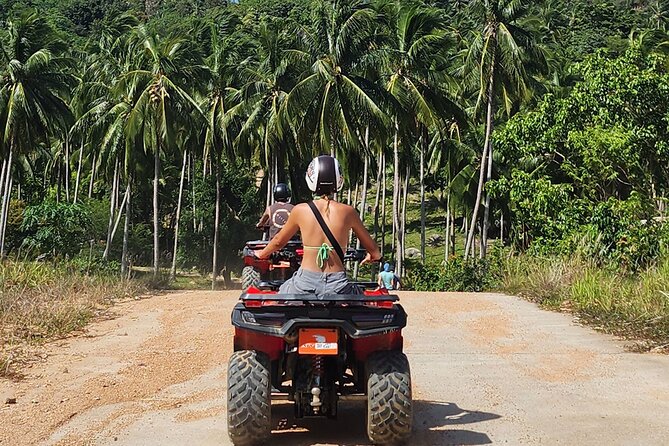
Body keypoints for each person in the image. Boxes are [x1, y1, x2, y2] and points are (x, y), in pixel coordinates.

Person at [256, 155, 381, 296]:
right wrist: (372, 255)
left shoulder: (300, 210)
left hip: (304, 283)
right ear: (338, 180)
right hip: (338, 285)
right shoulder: (349, 212)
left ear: (311, 179)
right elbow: (375, 252)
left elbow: (278, 241)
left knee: (281, 295)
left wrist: (262, 254)